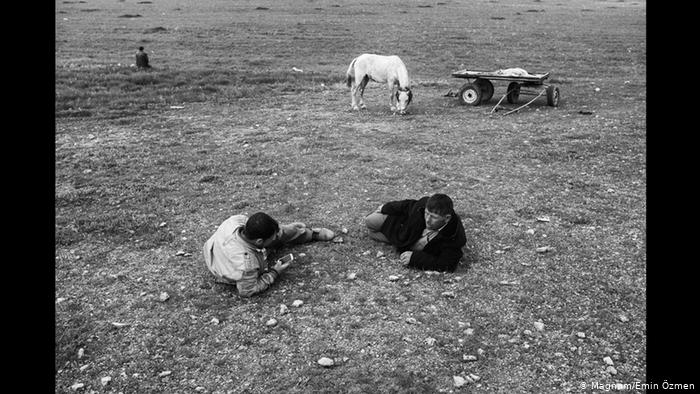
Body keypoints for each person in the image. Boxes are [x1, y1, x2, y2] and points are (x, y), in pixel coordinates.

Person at [203, 212, 335, 297]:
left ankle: (307, 233)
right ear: (259, 242)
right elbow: (247, 290)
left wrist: (287, 228)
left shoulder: (237, 220)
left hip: (220, 248)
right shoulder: (246, 265)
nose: (275, 236)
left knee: (277, 233)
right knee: (276, 240)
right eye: (272, 237)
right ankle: (302, 233)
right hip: (228, 265)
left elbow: (267, 230)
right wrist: (274, 272)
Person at [364, 193, 466, 272]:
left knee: (372, 234)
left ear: (446, 218)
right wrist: (385, 207)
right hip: (402, 229)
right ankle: (398, 242)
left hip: (415, 245)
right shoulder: (423, 205)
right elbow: (407, 205)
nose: (427, 220)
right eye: (426, 214)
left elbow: (448, 264)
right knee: (370, 221)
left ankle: (400, 244)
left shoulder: (454, 236)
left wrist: (415, 259)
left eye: (434, 217)